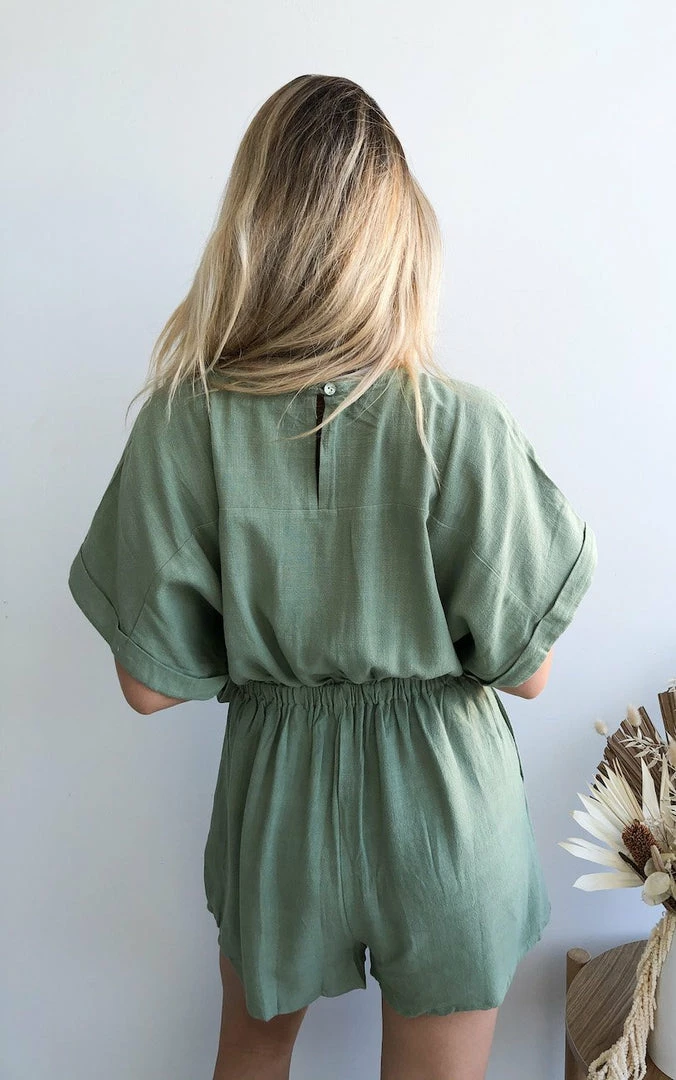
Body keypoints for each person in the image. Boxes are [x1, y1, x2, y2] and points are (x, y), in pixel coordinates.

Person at [68, 74, 598, 1080]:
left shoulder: (183, 424)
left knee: (251, 1058)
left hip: (277, 794)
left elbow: (147, 685)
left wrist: (274, 631)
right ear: (397, 238)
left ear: (253, 225)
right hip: (444, 803)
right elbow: (529, 671)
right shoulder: (459, 425)